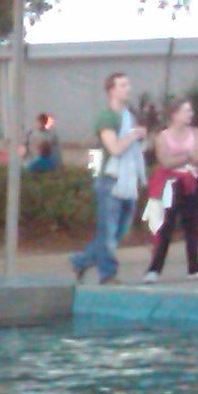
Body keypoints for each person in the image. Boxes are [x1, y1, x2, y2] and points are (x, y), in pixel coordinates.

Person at [68, 73, 150, 286]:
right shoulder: (107, 118)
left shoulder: (128, 116)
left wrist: (139, 137)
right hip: (111, 180)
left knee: (117, 232)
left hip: (127, 179)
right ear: (111, 90)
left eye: (128, 84)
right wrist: (133, 135)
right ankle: (108, 274)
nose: (127, 88)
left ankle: (81, 260)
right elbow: (114, 148)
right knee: (108, 232)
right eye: (122, 85)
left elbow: (133, 148)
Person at [141, 98, 198, 282]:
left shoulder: (196, 133)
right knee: (166, 225)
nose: (190, 114)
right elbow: (165, 161)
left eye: (190, 111)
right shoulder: (162, 137)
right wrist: (187, 156)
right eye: (186, 111)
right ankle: (154, 268)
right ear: (174, 114)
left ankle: (194, 266)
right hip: (171, 183)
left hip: (193, 181)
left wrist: (181, 158)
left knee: (192, 224)